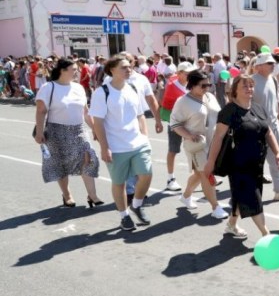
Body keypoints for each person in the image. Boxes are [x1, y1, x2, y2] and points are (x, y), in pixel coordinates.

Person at [204, 75, 279, 241]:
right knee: (253, 198)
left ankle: (231, 224)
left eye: (251, 86)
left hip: (257, 164)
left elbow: (268, 132)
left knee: (243, 196)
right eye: (245, 86)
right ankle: (267, 235)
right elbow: (218, 138)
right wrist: (210, 162)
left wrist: (277, 152)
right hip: (238, 164)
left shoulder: (258, 108)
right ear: (235, 90)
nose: (249, 89)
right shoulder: (229, 111)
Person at [89, 56, 153, 231]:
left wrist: (145, 137)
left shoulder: (132, 88)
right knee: (119, 183)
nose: (129, 69)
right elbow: (98, 123)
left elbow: (140, 115)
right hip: (116, 147)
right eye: (124, 67)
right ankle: (124, 216)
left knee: (146, 175)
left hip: (138, 143)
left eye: (129, 66)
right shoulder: (102, 93)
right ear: (112, 70)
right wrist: (104, 148)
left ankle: (137, 205)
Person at [33, 58, 102, 208]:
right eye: (74, 69)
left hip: (79, 130)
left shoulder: (78, 88)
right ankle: (67, 195)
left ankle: (92, 195)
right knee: (60, 164)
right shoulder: (48, 87)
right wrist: (39, 132)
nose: (77, 72)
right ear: (63, 71)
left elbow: (85, 112)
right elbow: (41, 111)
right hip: (56, 131)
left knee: (88, 157)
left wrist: (95, 129)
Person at [169, 70, 228, 219]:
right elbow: (175, 124)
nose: (207, 88)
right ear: (192, 85)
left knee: (198, 174)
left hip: (213, 142)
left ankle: (186, 196)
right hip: (197, 145)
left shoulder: (210, 97)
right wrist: (189, 135)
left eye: (209, 84)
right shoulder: (183, 101)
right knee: (206, 173)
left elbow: (219, 115)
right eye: (203, 85)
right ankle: (215, 207)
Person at [251, 54, 279, 199]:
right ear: (259, 66)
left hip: (274, 126)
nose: (273, 65)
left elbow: (277, 102)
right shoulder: (250, 81)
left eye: (273, 63)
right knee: (255, 162)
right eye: (269, 63)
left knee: (277, 159)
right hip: (257, 127)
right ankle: (250, 194)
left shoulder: (273, 80)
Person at [160, 61, 196, 192]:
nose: (190, 76)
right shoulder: (172, 87)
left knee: (196, 149)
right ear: (179, 73)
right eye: (187, 73)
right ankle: (170, 179)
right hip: (176, 124)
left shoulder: (190, 84)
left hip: (190, 122)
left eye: (191, 73)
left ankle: (203, 176)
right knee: (173, 150)